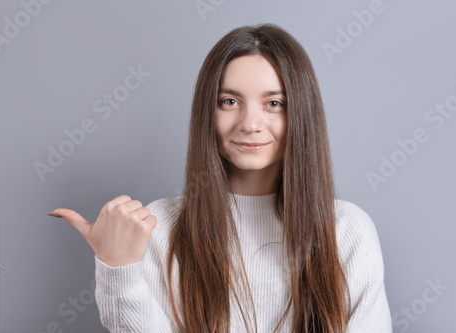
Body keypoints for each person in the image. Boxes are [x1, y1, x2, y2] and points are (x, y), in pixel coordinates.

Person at [47, 23, 393, 333]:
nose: (250, 123)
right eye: (229, 101)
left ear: (301, 114)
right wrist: (118, 268)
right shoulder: (160, 227)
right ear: (206, 113)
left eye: (274, 104)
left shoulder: (347, 230)